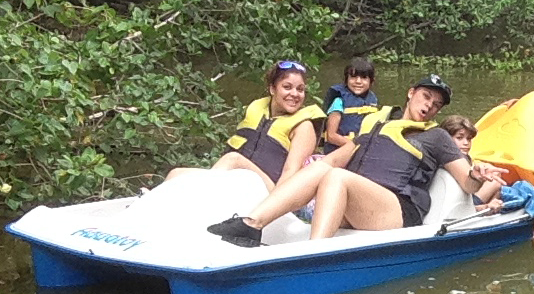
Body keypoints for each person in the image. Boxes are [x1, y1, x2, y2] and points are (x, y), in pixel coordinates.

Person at [205, 75, 505, 246]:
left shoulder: (436, 137)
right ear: (411, 93)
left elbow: (466, 181)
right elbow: (334, 159)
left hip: (397, 210)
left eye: (436, 104)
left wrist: (478, 173)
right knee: (324, 168)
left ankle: (314, 255)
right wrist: (300, 175)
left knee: (337, 177)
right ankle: (252, 223)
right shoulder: (376, 123)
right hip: (359, 203)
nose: (429, 106)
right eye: (426, 96)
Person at [166, 60, 324, 188]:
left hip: (269, 190)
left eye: (300, 89)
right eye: (287, 87)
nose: (295, 94)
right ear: (272, 89)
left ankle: (206, 195)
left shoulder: (304, 127)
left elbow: (290, 177)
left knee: (233, 159)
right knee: (176, 174)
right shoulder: (257, 108)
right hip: (238, 179)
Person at [440, 115, 503, 214]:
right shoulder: (447, 159)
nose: (466, 143)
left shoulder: (464, 157)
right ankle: (485, 209)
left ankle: (492, 209)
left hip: (466, 197)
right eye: (459, 138)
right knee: (495, 182)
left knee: (495, 177)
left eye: (469, 139)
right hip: (457, 203)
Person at [322, 56, 380, 154]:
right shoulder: (339, 101)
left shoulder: (372, 100)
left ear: (371, 81)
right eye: (353, 77)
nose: (358, 81)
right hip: (340, 151)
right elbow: (331, 136)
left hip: (361, 150)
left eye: (364, 78)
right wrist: (355, 146)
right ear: (346, 79)